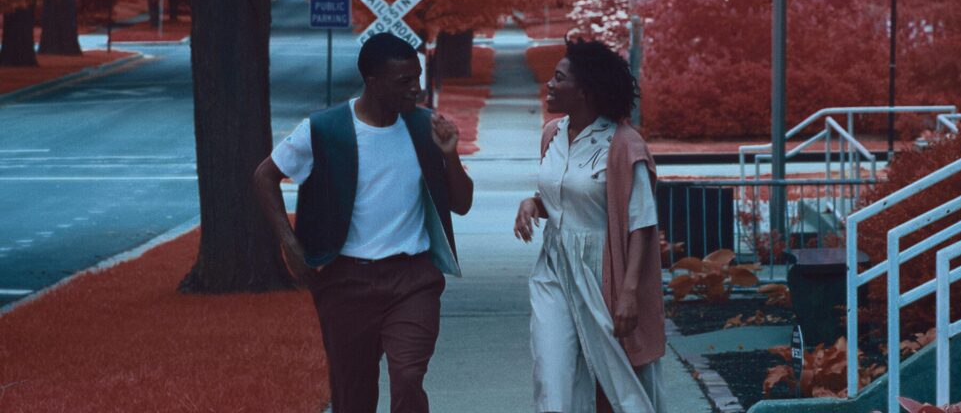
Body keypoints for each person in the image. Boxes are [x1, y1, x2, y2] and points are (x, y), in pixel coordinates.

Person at [253, 32, 474, 413]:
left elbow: (462, 204)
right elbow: (264, 176)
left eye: (417, 77)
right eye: (404, 81)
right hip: (346, 281)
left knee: (408, 376)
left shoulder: (425, 127)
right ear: (373, 82)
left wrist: (450, 155)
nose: (416, 89)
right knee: (352, 396)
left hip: (413, 279)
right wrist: (288, 243)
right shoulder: (324, 129)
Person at [514, 38, 667, 413]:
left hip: (602, 270)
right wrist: (533, 203)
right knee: (552, 374)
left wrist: (629, 292)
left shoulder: (624, 145)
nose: (550, 84)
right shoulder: (552, 134)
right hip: (553, 268)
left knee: (619, 379)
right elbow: (562, 196)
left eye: (559, 78)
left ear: (585, 91)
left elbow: (642, 224)